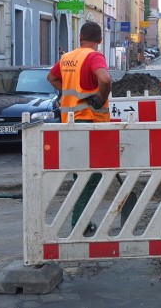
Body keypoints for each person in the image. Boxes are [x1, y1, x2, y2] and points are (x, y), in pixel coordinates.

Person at [47, 21, 112, 235]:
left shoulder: (67, 58)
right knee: (90, 176)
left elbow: (52, 77)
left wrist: (67, 91)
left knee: (80, 175)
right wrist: (100, 97)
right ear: (100, 40)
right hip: (88, 122)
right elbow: (105, 78)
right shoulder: (94, 56)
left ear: (80, 37)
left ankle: (80, 222)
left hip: (69, 122)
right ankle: (79, 224)